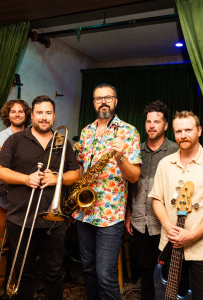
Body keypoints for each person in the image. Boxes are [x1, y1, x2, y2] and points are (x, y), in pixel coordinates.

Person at [0, 95, 80, 300]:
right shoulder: (15, 140)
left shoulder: (62, 141)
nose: (44, 117)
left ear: (54, 116)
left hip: (54, 221)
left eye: (48, 113)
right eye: (39, 113)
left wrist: (58, 178)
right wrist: (25, 179)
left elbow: (76, 174)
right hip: (20, 218)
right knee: (24, 273)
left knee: (53, 273)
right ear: (32, 115)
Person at [72, 83, 142, 300]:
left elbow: (134, 177)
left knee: (106, 275)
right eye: (98, 98)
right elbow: (82, 168)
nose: (103, 101)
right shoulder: (86, 131)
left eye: (108, 97)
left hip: (110, 216)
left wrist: (120, 156)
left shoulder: (128, 132)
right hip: (84, 213)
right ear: (93, 103)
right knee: (89, 271)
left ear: (115, 101)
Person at [149, 111, 203, 299]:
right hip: (170, 246)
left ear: (199, 131)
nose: (183, 135)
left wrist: (192, 235)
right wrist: (170, 229)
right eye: (178, 131)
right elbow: (157, 199)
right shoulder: (165, 163)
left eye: (188, 130)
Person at [125, 100, 178, 300]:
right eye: (148, 121)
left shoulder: (175, 150)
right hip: (140, 222)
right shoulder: (135, 150)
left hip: (166, 224)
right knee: (146, 271)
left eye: (157, 122)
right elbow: (130, 186)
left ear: (165, 125)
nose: (152, 126)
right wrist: (129, 215)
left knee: (169, 271)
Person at [0, 99, 31, 300]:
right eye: (13, 112)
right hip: (3, 195)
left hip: (26, 197)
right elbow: (8, 166)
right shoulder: (2, 136)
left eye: (20, 111)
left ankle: (14, 283)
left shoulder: (33, 135)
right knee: (0, 242)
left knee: (20, 243)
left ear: (26, 114)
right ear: (8, 115)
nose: (17, 114)